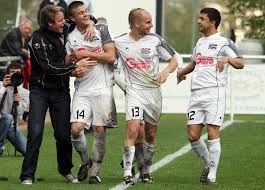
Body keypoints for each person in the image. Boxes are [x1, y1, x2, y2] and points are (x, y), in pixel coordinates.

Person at [20, 5, 96, 185]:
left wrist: (92, 23)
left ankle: (65, 170)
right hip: (40, 91)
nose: (65, 23)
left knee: (63, 135)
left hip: (61, 91)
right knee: (35, 132)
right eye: (61, 20)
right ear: (49, 23)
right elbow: (48, 67)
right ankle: (27, 175)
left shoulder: (67, 26)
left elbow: (84, 18)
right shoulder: (36, 40)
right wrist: (73, 67)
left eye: (64, 19)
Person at [177, 8, 244, 185]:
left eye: (202, 19)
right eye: (198, 18)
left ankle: (212, 175)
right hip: (196, 94)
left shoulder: (224, 42)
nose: (198, 21)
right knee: (192, 136)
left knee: (213, 132)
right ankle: (209, 163)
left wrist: (228, 59)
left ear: (212, 22)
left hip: (214, 93)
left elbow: (241, 62)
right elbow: (194, 63)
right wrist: (181, 72)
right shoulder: (199, 42)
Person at [114, 8, 177, 185]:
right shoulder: (118, 41)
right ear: (136, 23)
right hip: (134, 91)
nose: (151, 25)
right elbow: (106, 52)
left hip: (153, 92)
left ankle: (147, 170)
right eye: (148, 22)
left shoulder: (155, 40)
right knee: (133, 128)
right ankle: (127, 171)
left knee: (150, 133)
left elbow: (174, 60)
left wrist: (166, 71)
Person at [66, 1, 116, 184]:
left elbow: (111, 57)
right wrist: (73, 70)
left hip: (102, 88)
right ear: (72, 18)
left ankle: (95, 171)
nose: (85, 15)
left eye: (86, 11)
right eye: (81, 13)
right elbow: (67, 63)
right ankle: (85, 161)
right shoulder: (70, 36)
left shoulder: (101, 29)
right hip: (82, 90)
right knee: (76, 130)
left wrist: (87, 54)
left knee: (99, 129)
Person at [0, 63, 28, 156]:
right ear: (7, 74)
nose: (15, 74)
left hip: (12, 127)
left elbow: (19, 116)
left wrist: (18, 103)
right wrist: (3, 88)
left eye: (17, 72)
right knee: (7, 117)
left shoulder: (24, 93)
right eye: (12, 72)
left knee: (27, 151)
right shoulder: (0, 85)